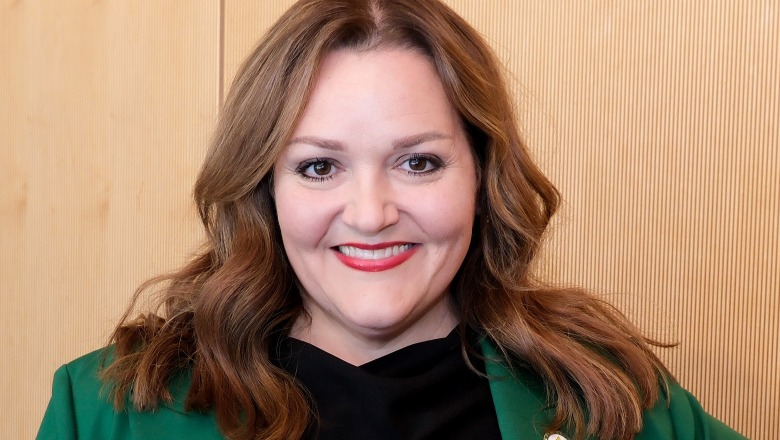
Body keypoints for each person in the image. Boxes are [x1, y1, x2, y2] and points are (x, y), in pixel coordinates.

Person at [37, 1, 747, 439]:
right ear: (265, 188)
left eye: (418, 163)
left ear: (480, 175)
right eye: (319, 167)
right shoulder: (109, 410)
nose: (372, 214)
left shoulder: (607, 394)